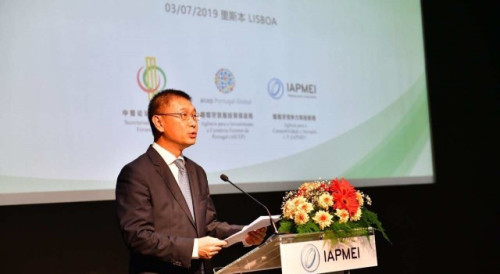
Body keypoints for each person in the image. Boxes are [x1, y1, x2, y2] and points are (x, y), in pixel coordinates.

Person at [115, 89, 266, 273]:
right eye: (183, 115)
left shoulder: (196, 171)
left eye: (195, 116)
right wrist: (193, 248)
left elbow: (208, 226)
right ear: (159, 122)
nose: (193, 123)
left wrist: (244, 234)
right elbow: (138, 236)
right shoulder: (136, 173)